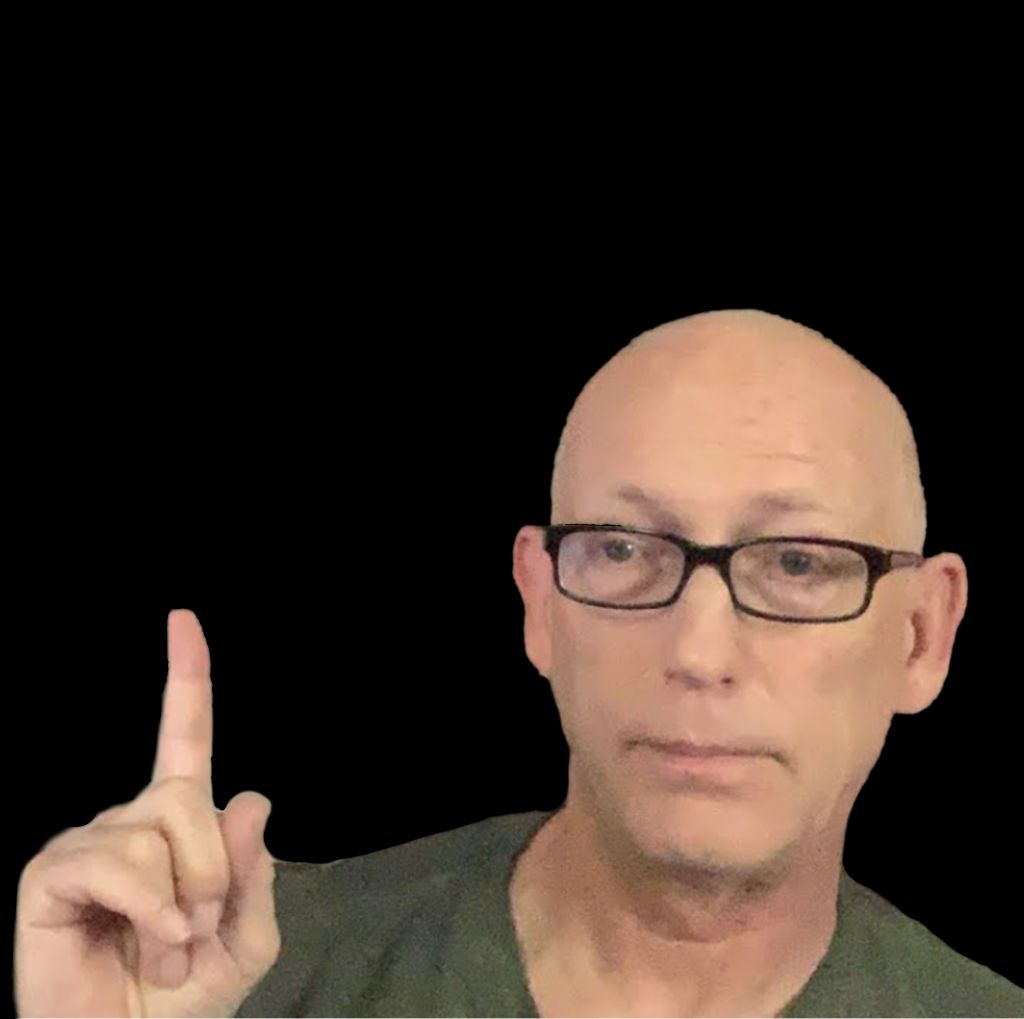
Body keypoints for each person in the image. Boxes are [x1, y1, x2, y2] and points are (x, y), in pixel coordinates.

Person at [13, 309, 1021, 1017]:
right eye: (622, 549)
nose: (700, 651)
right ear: (539, 604)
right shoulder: (236, 978)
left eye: (797, 563)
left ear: (922, 635)